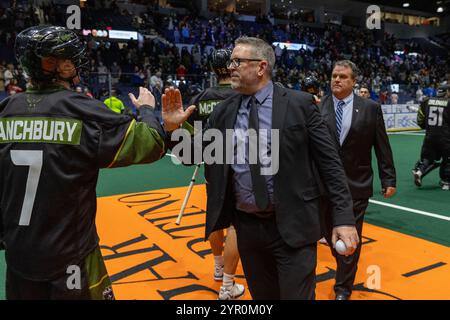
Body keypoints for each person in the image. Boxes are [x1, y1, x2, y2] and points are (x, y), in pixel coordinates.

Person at [0, 25, 191, 300]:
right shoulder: (82, 110)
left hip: (19, 262)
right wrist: (149, 110)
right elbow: (151, 144)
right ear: (61, 66)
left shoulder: (6, 111)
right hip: (70, 260)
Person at [163, 37, 359, 300]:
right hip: (248, 229)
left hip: (293, 225)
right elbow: (190, 155)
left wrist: (344, 219)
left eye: (237, 61)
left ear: (260, 67)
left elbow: (331, 165)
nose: (230, 67)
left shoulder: (300, 104)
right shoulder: (223, 112)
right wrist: (173, 128)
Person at [318, 60, 397, 300]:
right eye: (334, 75)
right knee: (329, 234)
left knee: (350, 239)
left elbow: (382, 145)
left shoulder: (370, 108)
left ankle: (343, 288)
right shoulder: (318, 106)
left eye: (343, 76)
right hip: (323, 185)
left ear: (353, 82)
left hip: (356, 185)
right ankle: (342, 264)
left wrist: (388, 178)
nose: (337, 80)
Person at [187, 49, 244, 300]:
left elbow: (193, 137)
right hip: (241, 165)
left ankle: (219, 265)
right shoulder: (243, 94)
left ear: (212, 69)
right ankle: (228, 284)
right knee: (236, 223)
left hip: (212, 165)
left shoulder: (201, 97)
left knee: (214, 216)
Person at [412, 84, 450, 190]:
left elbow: (420, 117)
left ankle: (419, 172)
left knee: (429, 158)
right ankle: (446, 182)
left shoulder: (427, 101)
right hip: (445, 138)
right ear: (447, 92)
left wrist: (424, 126)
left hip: (430, 136)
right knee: (448, 160)